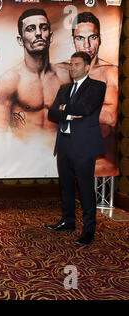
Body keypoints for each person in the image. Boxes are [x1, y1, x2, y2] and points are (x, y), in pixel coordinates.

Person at [46, 51, 106, 246]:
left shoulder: (97, 86)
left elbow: (86, 109)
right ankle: (68, 221)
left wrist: (65, 109)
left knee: (86, 188)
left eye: (77, 64)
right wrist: (68, 113)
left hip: (84, 144)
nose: (72, 68)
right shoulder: (64, 88)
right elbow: (51, 113)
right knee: (66, 185)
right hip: (64, 142)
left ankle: (89, 230)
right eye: (71, 64)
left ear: (87, 67)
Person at [0, 8, 70, 140]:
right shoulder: (10, 80)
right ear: (20, 40)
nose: (38, 33)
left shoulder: (65, 77)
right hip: (25, 156)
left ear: (50, 37)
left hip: (59, 156)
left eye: (43, 28)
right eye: (30, 29)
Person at [71, 12, 119, 177]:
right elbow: (56, 110)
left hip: (98, 155)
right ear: (73, 40)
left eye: (92, 37)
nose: (87, 45)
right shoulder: (62, 70)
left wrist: (73, 109)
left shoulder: (110, 73)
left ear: (100, 39)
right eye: (80, 38)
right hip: (67, 147)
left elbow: (111, 117)